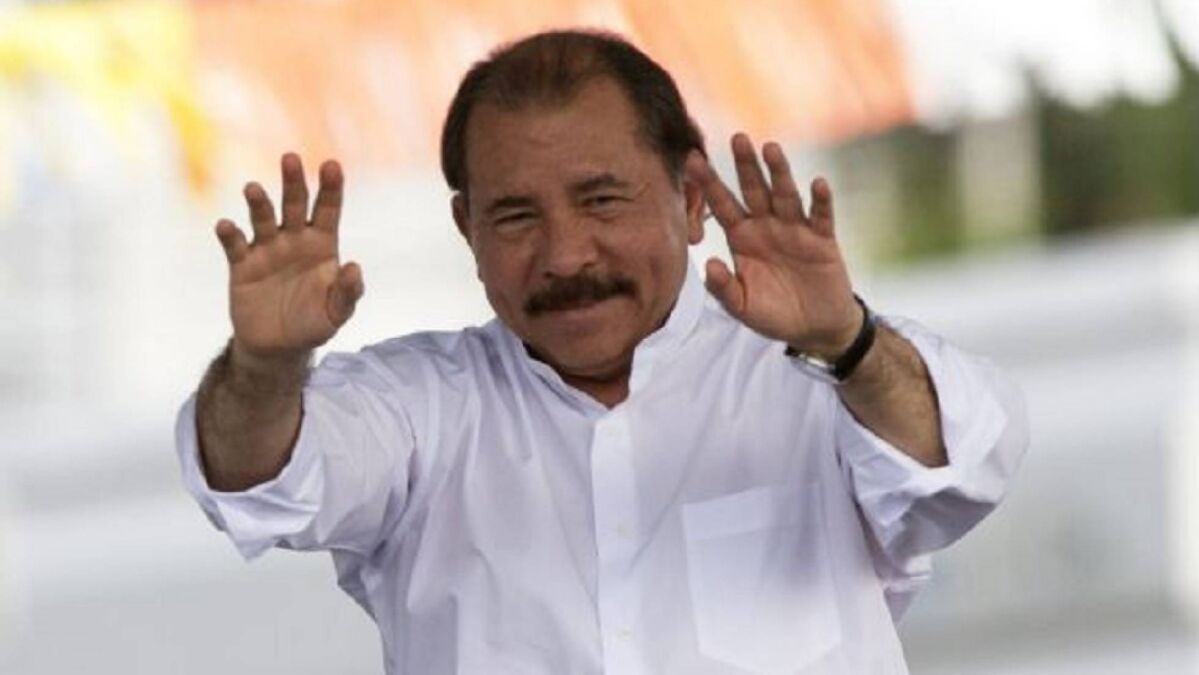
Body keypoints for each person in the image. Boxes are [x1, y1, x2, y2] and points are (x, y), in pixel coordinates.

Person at [176, 29, 1027, 675]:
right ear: (467, 229)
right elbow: (261, 482)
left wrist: (845, 344)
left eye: (601, 200)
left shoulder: (817, 374)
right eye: (516, 216)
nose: (565, 255)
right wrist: (265, 364)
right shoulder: (418, 408)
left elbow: (962, 470)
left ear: (690, 199)